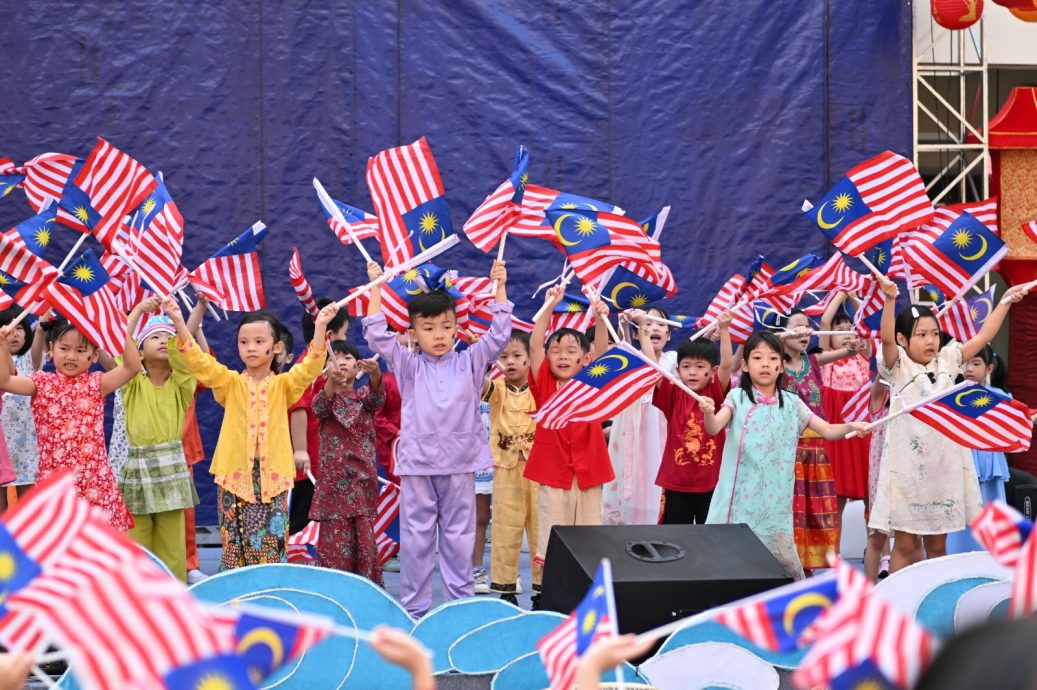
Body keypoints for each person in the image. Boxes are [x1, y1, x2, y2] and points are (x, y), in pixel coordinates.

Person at [363, 260, 511, 618]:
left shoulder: (472, 361)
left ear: (457, 327)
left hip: (460, 464)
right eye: (429, 328)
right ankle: (414, 610)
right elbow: (375, 333)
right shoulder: (408, 364)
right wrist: (376, 287)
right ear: (414, 332)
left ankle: (457, 610)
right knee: (416, 539)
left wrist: (500, 286)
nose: (439, 334)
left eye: (446, 326)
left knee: (459, 539)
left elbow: (500, 334)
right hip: (418, 465)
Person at [870, 275, 1030, 572]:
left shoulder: (948, 359)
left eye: (934, 333)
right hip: (907, 470)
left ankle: (936, 610)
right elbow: (888, 339)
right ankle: (900, 605)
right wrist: (890, 300)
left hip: (945, 468)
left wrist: (1005, 301)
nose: (930, 340)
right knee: (904, 545)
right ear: (904, 339)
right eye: (921, 335)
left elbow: (983, 338)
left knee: (937, 546)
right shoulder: (897, 364)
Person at [168, 298, 335, 569]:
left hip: (273, 477)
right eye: (244, 342)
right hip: (234, 475)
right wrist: (178, 321)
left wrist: (321, 327)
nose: (251, 348)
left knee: (271, 544)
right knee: (234, 546)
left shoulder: (284, 385)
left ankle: (268, 599)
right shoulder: (230, 382)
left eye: (259, 341)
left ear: (276, 347)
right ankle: (236, 601)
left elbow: (310, 368)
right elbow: (199, 362)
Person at [701, 330, 868, 579]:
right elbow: (714, 427)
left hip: (775, 502)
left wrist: (852, 426)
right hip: (738, 500)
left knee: (781, 566)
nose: (765, 364)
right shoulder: (736, 397)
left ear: (782, 366)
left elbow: (829, 430)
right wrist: (707, 412)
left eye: (772, 358)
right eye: (757, 358)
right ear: (745, 365)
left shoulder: (792, 403)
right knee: (730, 561)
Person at [0, 307, 147, 531]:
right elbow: (5, 381)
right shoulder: (41, 383)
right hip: (55, 484)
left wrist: (118, 329)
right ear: (51, 350)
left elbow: (133, 367)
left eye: (80, 350)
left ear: (94, 355)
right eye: (64, 348)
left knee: (97, 546)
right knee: (56, 546)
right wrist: (1, 346)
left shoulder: (98, 383)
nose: (71, 356)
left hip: (95, 482)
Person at [524, 284, 612, 581]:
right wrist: (550, 305)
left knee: (589, 533)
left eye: (571, 351)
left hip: (590, 469)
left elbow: (600, 350)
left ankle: (587, 588)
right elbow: (535, 344)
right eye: (556, 351)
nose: (562, 356)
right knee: (552, 533)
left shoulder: (591, 383)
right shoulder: (544, 384)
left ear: (584, 360)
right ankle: (547, 590)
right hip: (554, 471)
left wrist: (600, 318)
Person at [118, 298, 208, 581]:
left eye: (167, 339)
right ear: (140, 353)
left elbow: (187, 354)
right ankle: (136, 592)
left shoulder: (182, 384)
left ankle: (173, 592)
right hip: (137, 466)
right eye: (154, 337)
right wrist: (136, 312)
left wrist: (177, 322)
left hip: (171, 468)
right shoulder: (132, 381)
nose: (162, 341)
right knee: (136, 538)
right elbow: (123, 347)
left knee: (172, 541)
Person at [780, 308, 862, 572]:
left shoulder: (812, 362)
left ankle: (812, 567)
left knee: (815, 512)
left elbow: (848, 352)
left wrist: (855, 345)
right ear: (782, 333)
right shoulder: (774, 364)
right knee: (792, 512)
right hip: (789, 452)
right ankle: (791, 567)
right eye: (797, 327)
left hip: (816, 452)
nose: (805, 332)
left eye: (808, 327)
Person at [310, 340, 385, 582]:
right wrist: (331, 383)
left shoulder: (364, 398)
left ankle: (365, 589)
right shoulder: (324, 397)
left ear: (358, 366)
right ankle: (334, 589)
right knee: (335, 540)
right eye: (335, 357)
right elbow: (319, 408)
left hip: (361, 483)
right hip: (333, 486)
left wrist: (376, 375)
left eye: (348, 357)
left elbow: (377, 398)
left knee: (363, 538)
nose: (341, 361)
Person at [651, 310, 733, 524]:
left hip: (712, 482)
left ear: (712, 372)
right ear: (677, 370)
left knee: (712, 540)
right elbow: (652, 368)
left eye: (699, 367)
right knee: (676, 541)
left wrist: (724, 329)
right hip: (676, 482)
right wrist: (642, 331)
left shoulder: (716, 392)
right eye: (686, 367)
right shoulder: (674, 394)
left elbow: (726, 364)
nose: (693, 372)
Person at [604, 305, 676, 525]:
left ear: (669, 334)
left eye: (661, 324)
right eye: (647, 323)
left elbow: (654, 371)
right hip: (629, 429)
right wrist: (624, 324)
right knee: (626, 474)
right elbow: (626, 350)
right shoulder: (631, 359)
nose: (654, 328)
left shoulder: (671, 359)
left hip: (657, 430)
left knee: (652, 478)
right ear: (636, 334)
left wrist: (640, 326)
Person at [483, 330, 539, 603]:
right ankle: (505, 589)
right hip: (505, 469)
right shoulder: (498, 389)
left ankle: (543, 588)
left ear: (530, 359)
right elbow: (478, 386)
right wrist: (481, 357)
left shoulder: (540, 388)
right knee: (506, 529)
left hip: (539, 470)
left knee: (542, 530)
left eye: (517, 355)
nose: (511, 362)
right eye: (504, 357)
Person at [288, 297, 350, 535]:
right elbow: (299, 407)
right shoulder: (307, 367)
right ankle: (292, 565)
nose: (346, 340)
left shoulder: (328, 367)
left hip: (325, 459)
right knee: (301, 521)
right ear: (330, 335)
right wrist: (301, 450)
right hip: (308, 464)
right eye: (343, 335)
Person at [946, 345, 1013, 554]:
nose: (970, 368)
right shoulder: (952, 395)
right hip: (962, 464)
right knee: (961, 513)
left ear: (989, 368)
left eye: (976, 363)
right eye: (966, 363)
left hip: (990, 464)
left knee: (992, 507)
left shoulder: (1000, 396)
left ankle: (992, 559)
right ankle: (957, 556)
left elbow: (1014, 420)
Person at [819, 293, 874, 526]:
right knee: (836, 493)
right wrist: (841, 290)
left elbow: (867, 320)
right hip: (837, 432)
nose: (844, 334)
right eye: (838, 330)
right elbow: (823, 322)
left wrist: (852, 294)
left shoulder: (863, 355)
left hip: (862, 430)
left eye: (848, 329)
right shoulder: (825, 361)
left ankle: (877, 550)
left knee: (870, 491)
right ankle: (834, 551)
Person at [0, 310, 45, 498]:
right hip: (2, 444)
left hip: (27, 443)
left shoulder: (30, 359)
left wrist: (43, 321)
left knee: (28, 500)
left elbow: (41, 333)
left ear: (27, 332)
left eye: (19, 328)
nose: (14, 334)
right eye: (8, 329)